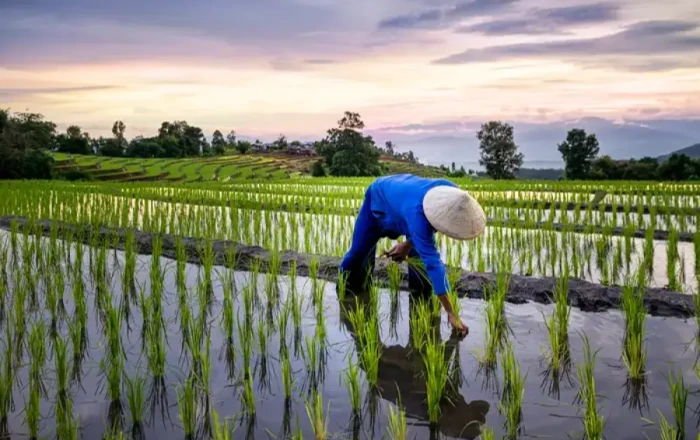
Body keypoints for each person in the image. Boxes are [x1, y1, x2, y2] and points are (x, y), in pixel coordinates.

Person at [338, 173, 486, 336]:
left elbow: (434, 222)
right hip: (378, 201)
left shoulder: (453, 195)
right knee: (357, 255)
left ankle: (420, 302)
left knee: (421, 274)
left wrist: (407, 244)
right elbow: (433, 263)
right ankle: (344, 292)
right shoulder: (417, 215)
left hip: (404, 203)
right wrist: (452, 313)